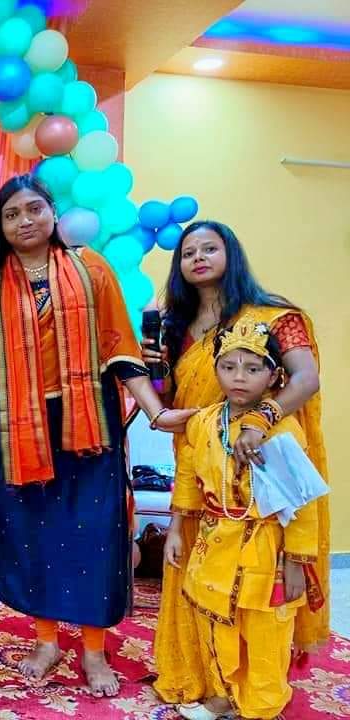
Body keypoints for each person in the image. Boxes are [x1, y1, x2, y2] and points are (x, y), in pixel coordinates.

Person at [0, 174, 195, 697]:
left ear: (52, 213)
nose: (24, 221)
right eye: (11, 214)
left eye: (33, 209)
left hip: (88, 427)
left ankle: (94, 650)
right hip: (15, 427)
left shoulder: (91, 268)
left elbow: (120, 349)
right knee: (33, 534)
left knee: (94, 537)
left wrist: (156, 412)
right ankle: (46, 641)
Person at [148, 221, 328, 706]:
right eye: (188, 252)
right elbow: (174, 397)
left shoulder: (274, 316)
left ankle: (257, 692)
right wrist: (155, 372)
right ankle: (203, 679)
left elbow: (305, 378)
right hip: (203, 466)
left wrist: (262, 420)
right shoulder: (176, 326)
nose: (198, 258)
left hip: (262, 465)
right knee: (201, 584)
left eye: (210, 248)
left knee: (259, 601)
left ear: (232, 254)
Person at [163, 316, 320, 720]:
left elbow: (301, 504)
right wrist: (176, 529)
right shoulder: (203, 423)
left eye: (252, 369)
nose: (239, 377)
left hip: (265, 552)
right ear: (216, 370)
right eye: (229, 366)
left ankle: (262, 707)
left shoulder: (284, 430)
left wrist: (296, 561)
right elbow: (187, 477)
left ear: (274, 376)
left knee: (266, 634)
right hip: (213, 543)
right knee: (215, 626)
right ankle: (221, 697)